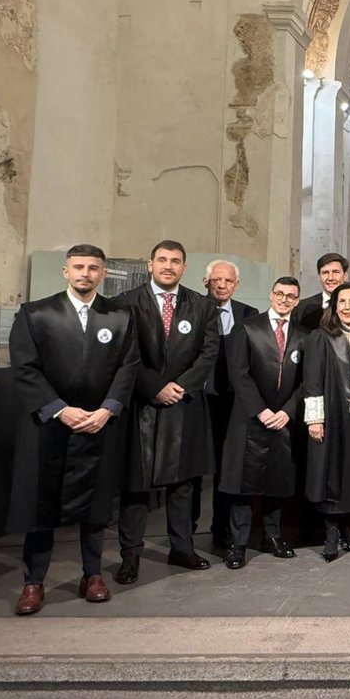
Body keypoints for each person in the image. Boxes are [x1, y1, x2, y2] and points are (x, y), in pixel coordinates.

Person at [7, 244, 140, 615]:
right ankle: (33, 581)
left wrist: (108, 409)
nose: (85, 273)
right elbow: (25, 367)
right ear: (66, 271)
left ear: (103, 273)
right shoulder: (37, 313)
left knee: (95, 505)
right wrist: (59, 409)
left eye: (93, 267)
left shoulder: (120, 316)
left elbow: (128, 366)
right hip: (49, 424)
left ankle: (92, 574)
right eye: (78, 267)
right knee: (40, 504)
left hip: (98, 423)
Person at [114, 240, 219, 584]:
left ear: (184, 267)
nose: (168, 266)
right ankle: (130, 555)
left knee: (183, 483)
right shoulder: (126, 303)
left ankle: (182, 548)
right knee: (136, 485)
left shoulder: (202, 305)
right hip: (141, 404)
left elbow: (208, 352)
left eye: (175, 261)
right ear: (150, 264)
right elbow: (124, 353)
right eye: (162, 260)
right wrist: (154, 386)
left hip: (183, 405)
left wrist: (181, 387)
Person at [219, 277, 306, 569]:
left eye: (290, 296)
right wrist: (260, 410)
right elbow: (238, 373)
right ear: (271, 295)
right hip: (250, 419)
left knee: (276, 483)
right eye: (279, 294)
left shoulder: (304, 335)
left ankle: (273, 537)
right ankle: (238, 544)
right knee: (243, 486)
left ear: (297, 300)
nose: (284, 300)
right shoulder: (248, 328)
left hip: (283, 420)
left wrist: (288, 411)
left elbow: (305, 381)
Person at [304, 283, 350, 561]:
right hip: (332, 414)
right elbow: (312, 380)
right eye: (341, 301)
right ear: (333, 306)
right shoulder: (320, 337)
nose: (347, 307)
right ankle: (331, 534)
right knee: (332, 474)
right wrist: (315, 419)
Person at [196, 259, 258, 549]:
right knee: (194, 471)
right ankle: (185, 535)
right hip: (199, 401)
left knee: (228, 470)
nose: (222, 285)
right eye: (216, 280)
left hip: (233, 404)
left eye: (228, 280)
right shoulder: (194, 309)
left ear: (236, 284)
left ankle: (221, 529)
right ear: (205, 282)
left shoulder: (248, 315)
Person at [292, 253, 350, 333]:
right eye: (325, 273)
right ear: (319, 277)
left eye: (335, 272)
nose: (330, 278)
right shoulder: (302, 308)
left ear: (345, 276)